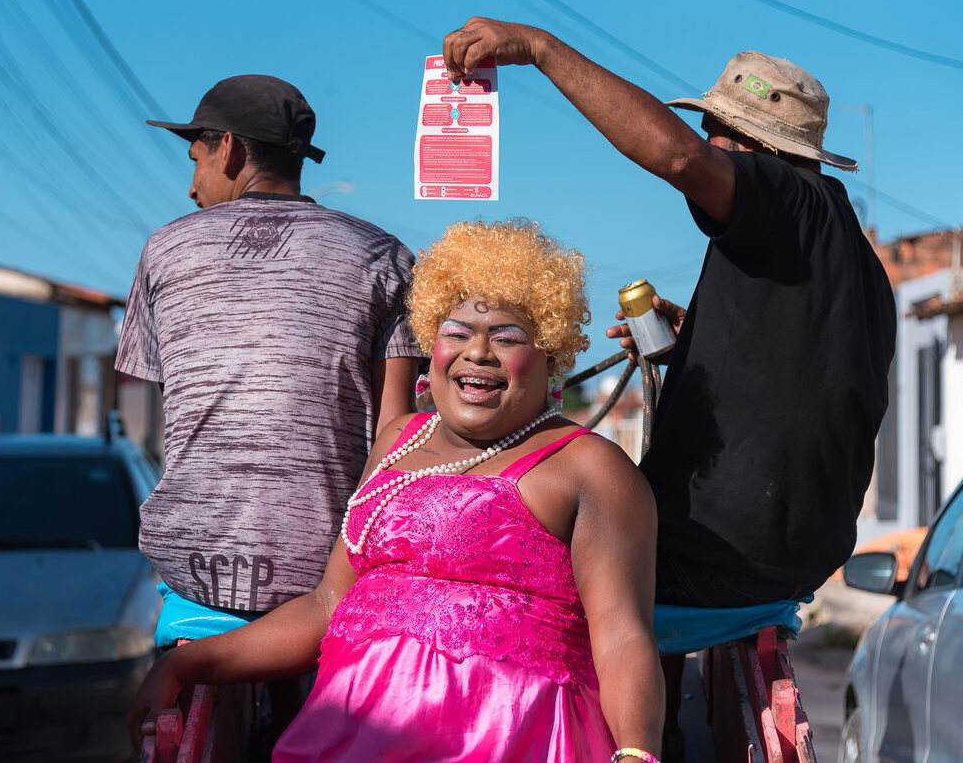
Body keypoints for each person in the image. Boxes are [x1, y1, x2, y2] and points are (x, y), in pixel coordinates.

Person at [442, 19, 896, 757]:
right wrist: (691, 337)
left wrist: (539, 48)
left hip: (725, 550)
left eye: (718, 134)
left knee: (496, 558)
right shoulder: (840, 253)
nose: (708, 148)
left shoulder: (788, 201)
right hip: (783, 545)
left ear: (750, 151)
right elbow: (799, 374)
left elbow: (675, 156)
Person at [127, 219, 664, 762]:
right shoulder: (396, 439)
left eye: (507, 338)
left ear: (549, 355)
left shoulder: (591, 467)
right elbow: (325, 606)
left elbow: (622, 638)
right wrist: (184, 663)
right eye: (456, 331)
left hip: (514, 742)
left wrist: (637, 753)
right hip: (346, 739)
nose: (477, 352)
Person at [116, 74, 421, 754]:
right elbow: (394, 436)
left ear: (226, 149)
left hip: (195, 569)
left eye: (193, 159)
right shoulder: (385, 256)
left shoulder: (165, 249)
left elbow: (165, 403)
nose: (191, 185)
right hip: (330, 576)